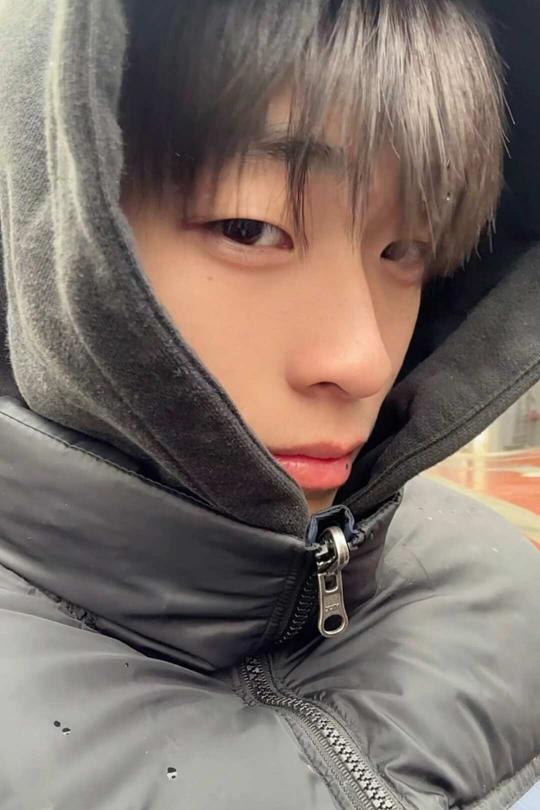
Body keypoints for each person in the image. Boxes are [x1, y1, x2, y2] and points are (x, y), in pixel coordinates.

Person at [0, 0, 539, 808]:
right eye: (250, 228)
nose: (363, 362)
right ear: (60, 229)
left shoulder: (504, 582)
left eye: (404, 250)